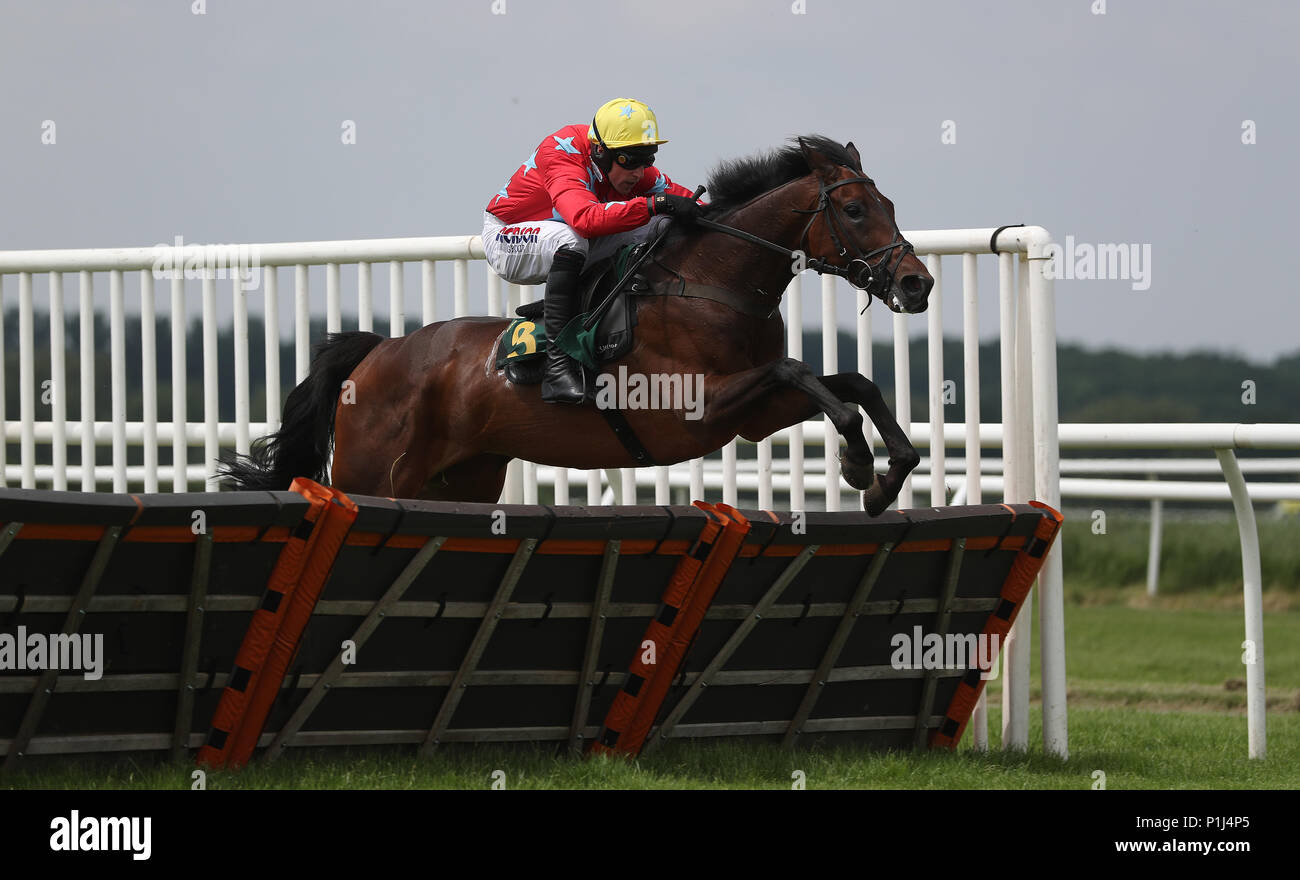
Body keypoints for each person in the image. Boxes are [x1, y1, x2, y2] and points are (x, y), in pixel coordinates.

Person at [482, 98, 703, 403]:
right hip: (507, 238)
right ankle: (558, 371)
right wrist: (655, 203)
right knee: (572, 239)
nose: (639, 171)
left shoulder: (630, 166)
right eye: (630, 159)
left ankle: (578, 302)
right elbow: (584, 220)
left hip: (567, 239)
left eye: (647, 158)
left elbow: (689, 202)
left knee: (661, 224)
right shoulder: (562, 152)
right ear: (600, 151)